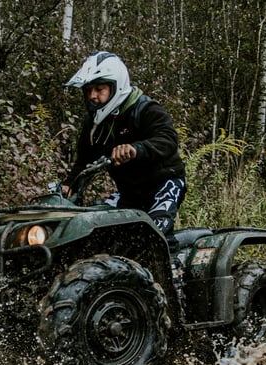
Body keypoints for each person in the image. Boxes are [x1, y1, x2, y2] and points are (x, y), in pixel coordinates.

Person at [61, 51, 186, 236]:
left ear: (115, 86)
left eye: (99, 89)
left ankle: (176, 265)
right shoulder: (94, 123)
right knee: (103, 232)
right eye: (88, 90)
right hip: (129, 190)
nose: (92, 96)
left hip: (163, 183)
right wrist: (69, 185)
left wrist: (136, 149)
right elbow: (84, 160)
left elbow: (168, 139)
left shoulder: (145, 109)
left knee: (152, 235)